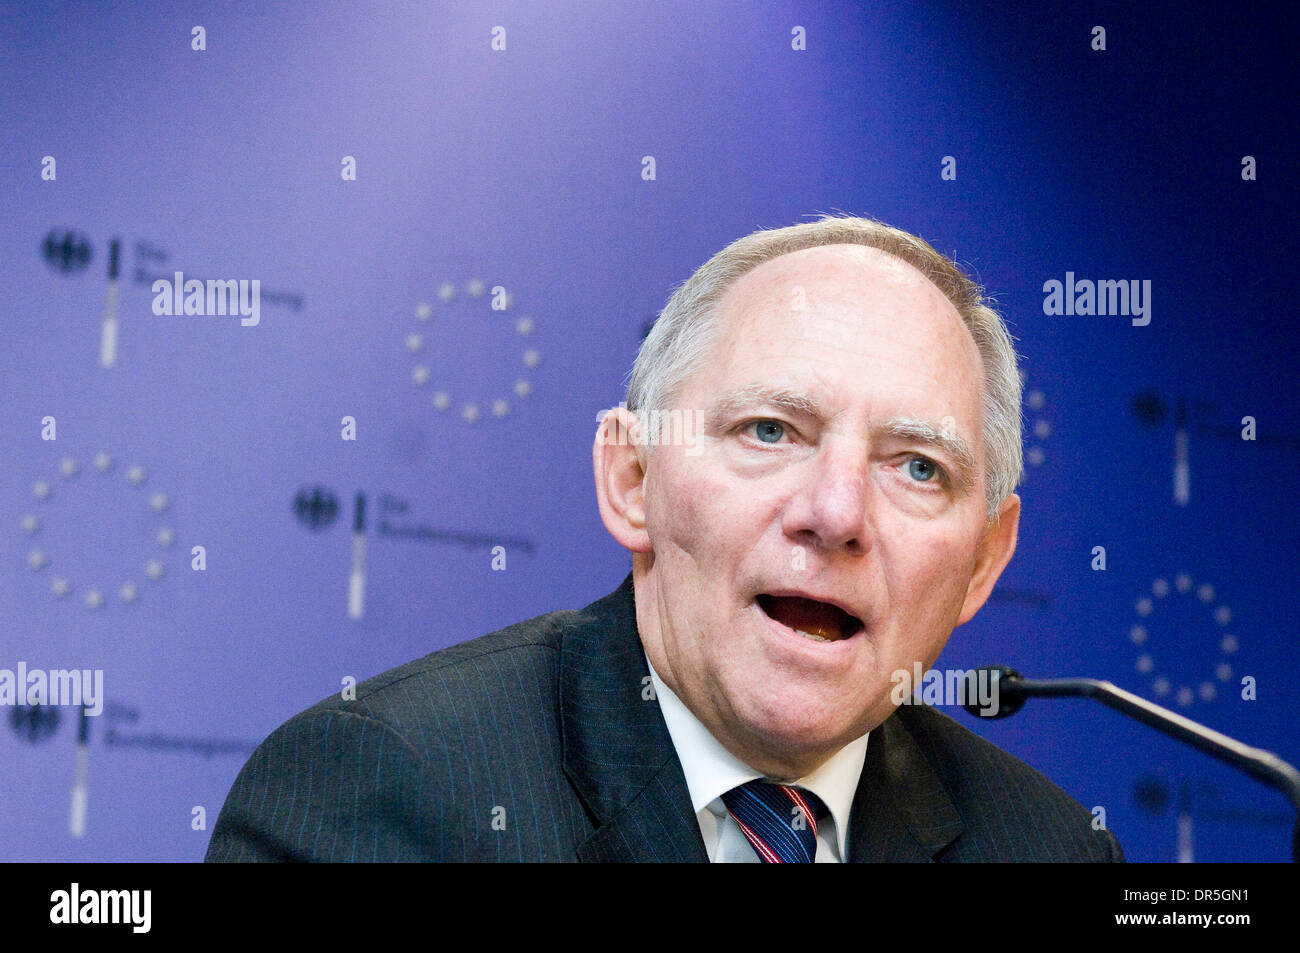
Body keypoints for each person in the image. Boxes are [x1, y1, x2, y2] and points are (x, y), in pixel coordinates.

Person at [206, 214, 1124, 862]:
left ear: (983, 564)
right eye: (771, 431)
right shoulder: (383, 791)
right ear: (633, 480)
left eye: (918, 466)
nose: (837, 514)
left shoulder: (1046, 845)